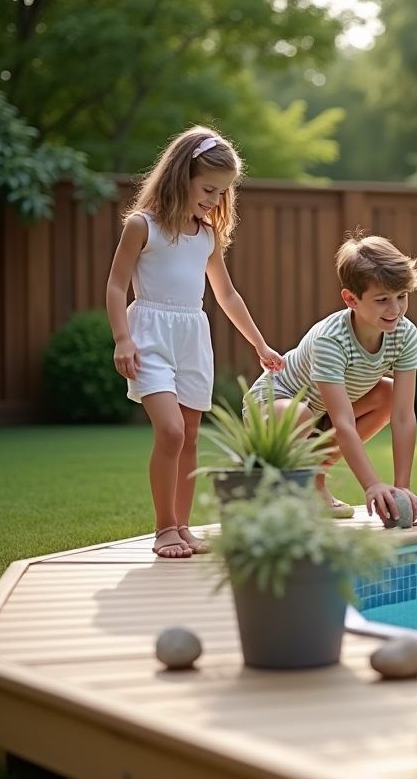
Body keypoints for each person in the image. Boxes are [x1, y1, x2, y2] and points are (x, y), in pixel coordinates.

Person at [107, 126, 285, 559]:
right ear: (180, 176)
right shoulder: (142, 226)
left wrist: (260, 345)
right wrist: (122, 339)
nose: (215, 199)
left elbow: (227, 294)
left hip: (193, 339)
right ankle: (164, 528)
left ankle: (182, 527)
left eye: (223, 192)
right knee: (169, 431)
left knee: (188, 437)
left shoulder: (207, 235)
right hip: (149, 335)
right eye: (208, 189)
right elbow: (115, 286)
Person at [249, 230, 417, 523]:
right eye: (382, 299)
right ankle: (296, 487)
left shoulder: (405, 334)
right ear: (351, 299)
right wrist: (372, 484)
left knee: (389, 394)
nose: (395, 309)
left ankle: (315, 476)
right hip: (275, 406)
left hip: (320, 413)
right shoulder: (331, 340)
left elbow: (404, 415)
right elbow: (343, 423)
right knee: (300, 413)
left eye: (401, 296)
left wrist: (402, 487)